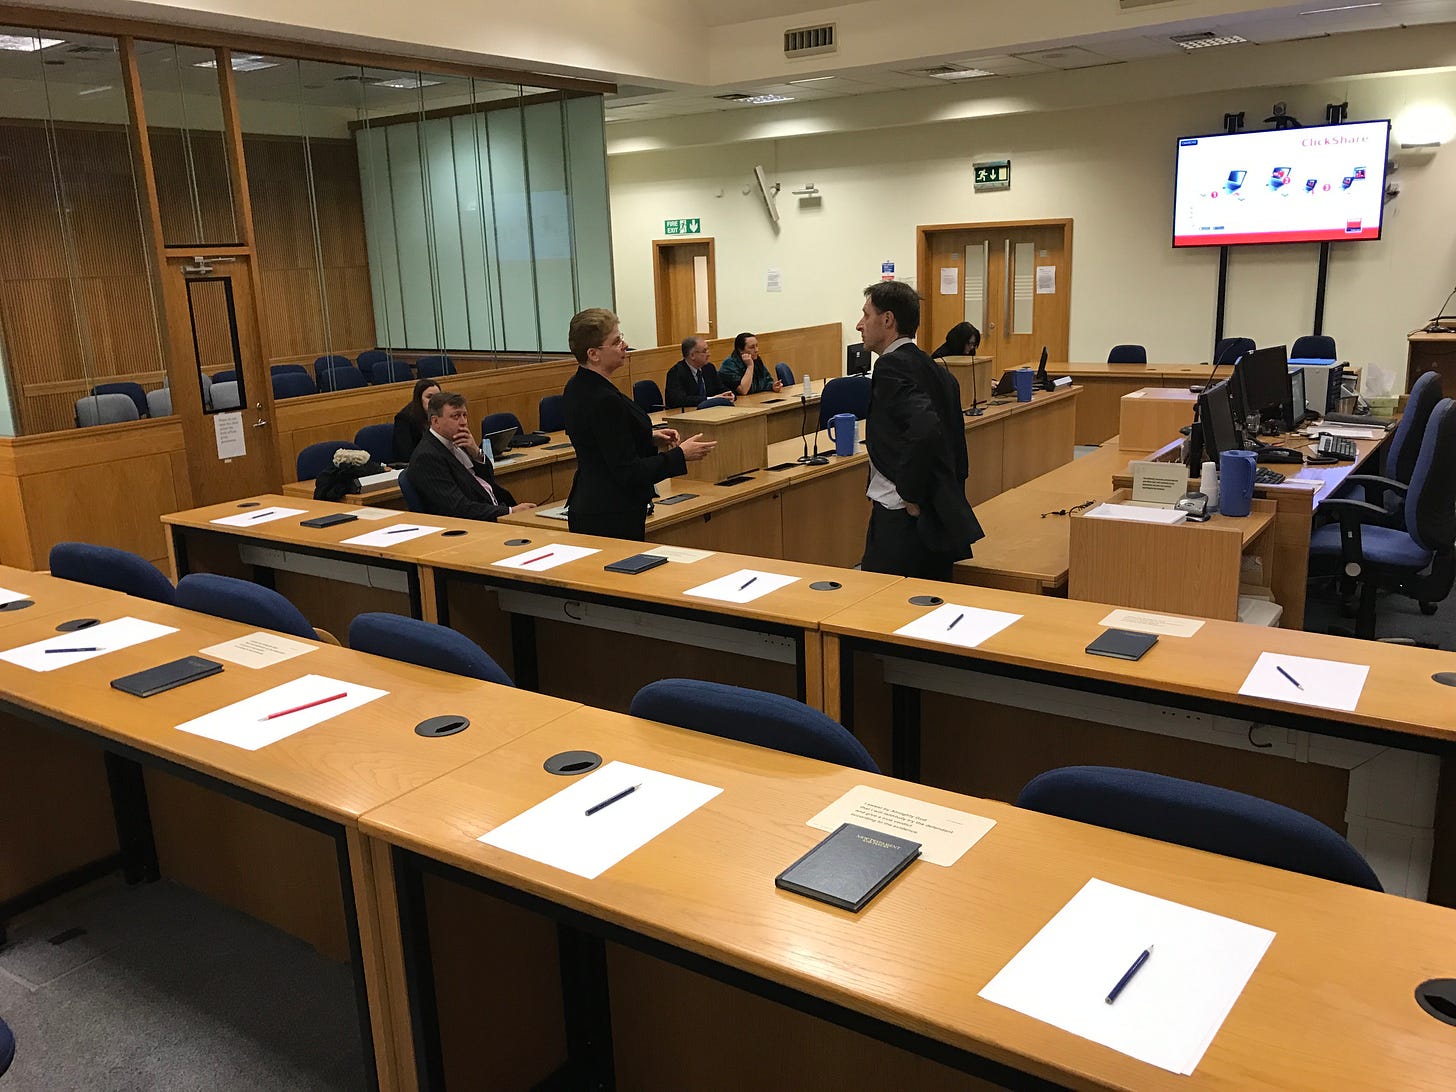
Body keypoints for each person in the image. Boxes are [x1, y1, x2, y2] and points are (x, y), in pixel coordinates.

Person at [857, 281, 983, 579]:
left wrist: (910, 492)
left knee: (882, 600)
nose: (859, 324)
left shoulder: (891, 367)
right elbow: (956, 444)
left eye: (866, 315)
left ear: (888, 320)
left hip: (901, 518)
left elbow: (926, 427)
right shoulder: (936, 369)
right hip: (936, 516)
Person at [564, 308, 716, 540]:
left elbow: (602, 440)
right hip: (609, 512)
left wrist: (648, 437)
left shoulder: (580, 384)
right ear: (593, 354)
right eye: (616, 342)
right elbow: (627, 471)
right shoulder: (602, 398)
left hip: (598, 504)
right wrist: (680, 455)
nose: (625, 345)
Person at [407, 391, 535, 522]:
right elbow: (458, 508)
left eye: (464, 415)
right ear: (435, 421)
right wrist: (509, 512)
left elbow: (489, 479)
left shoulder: (460, 439)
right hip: (477, 523)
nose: (463, 422)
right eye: (456, 416)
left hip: (495, 508)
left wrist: (476, 453)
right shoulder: (427, 456)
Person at [664, 335, 735, 409]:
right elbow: (678, 400)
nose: (709, 354)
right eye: (704, 351)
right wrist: (710, 400)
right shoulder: (676, 372)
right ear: (692, 355)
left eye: (708, 350)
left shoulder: (709, 368)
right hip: (687, 413)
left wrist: (730, 394)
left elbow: (721, 388)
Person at [392, 378, 441, 462]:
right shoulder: (404, 418)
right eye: (429, 397)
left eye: (438, 397)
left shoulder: (442, 414)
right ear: (419, 399)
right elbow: (406, 455)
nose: (434, 401)